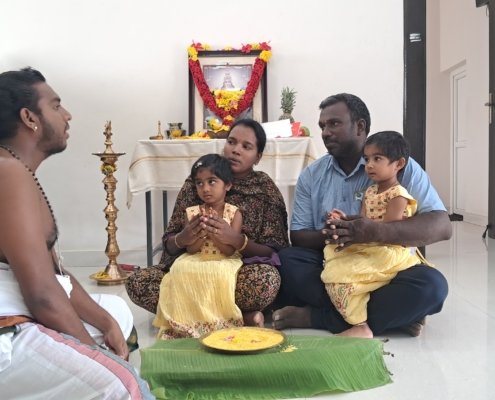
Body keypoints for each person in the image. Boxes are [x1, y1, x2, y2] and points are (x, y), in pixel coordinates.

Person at [0, 67, 153, 399]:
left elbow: (54, 274)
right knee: (121, 384)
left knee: (117, 315)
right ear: (29, 118)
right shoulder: (7, 172)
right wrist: (98, 359)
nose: (67, 115)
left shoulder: (15, 168)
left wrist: (106, 322)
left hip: (21, 306)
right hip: (7, 331)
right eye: (56, 106)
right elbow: (42, 294)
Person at [272, 93, 451, 337]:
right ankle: (391, 316)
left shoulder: (400, 167)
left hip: (386, 265)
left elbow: (442, 225)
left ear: (360, 126)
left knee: (432, 287)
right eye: (322, 126)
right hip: (337, 263)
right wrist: (340, 232)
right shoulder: (312, 175)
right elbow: (299, 236)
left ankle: (319, 317)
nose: (325, 133)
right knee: (288, 259)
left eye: (334, 124)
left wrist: (375, 232)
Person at [126, 118, 289, 327]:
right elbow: (170, 244)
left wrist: (237, 241)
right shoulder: (196, 182)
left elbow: (275, 250)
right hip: (192, 272)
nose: (235, 150)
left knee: (266, 281)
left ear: (258, 157)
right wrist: (183, 238)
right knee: (137, 282)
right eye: (231, 142)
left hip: (236, 274)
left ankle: (191, 316)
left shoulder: (264, 189)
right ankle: (240, 318)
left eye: (246, 146)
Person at [321, 131, 433, 338]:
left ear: (399, 164)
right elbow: (363, 221)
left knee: (344, 275)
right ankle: (401, 317)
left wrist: (361, 229)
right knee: (331, 256)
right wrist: (344, 219)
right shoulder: (371, 191)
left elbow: (388, 231)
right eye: (367, 159)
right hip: (369, 244)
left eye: (377, 159)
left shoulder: (398, 195)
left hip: (387, 249)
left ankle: (360, 325)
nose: (369, 165)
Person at [154, 154, 247, 339]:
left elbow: (230, 250)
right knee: (179, 270)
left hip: (223, 259)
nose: (205, 189)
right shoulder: (192, 213)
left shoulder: (234, 213)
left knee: (220, 274)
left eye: (212, 182)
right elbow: (191, 249)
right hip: (197, 257)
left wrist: (215, 232)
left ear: (228, 185)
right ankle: (187, 321)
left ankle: (218, 321)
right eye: (199, 183)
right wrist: (199, 232)